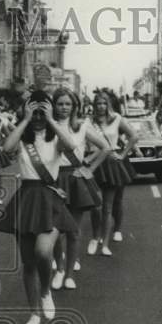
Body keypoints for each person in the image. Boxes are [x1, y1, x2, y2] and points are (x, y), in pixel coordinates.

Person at [0, 91, 78, 324]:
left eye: (43, 111)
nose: (39, 116)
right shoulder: (23, 138)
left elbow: (71, 145)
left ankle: (45, 291)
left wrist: (52, 120)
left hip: (49, 198)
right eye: (35, 111)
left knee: (43, 252)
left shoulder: (55, 138)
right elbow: (6, 148)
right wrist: (24, 119)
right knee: (28, 262)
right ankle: (33, 312)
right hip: (26, 198)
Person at [51, 88, 109, 290]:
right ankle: (59, 269)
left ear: (74, 106)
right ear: (54, 105)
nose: (64, 108)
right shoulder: (49, 127)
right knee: (55, 231)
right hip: (54, 180)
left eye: (68, 104)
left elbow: (105, 147)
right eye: (60, 104)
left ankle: (68, 275)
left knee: (74, 231)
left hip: (75, 180)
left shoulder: (82, 127)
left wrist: (89, 169)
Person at [90, 91, 139, 254]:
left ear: (108, 105)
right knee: (95, 205)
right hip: (95, 163)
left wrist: (123, 154)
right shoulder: (88, 121)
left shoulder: (116, 118)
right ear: (94, 105)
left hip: (111, 163)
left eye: (104, 103)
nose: (101, 107)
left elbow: (133, 136)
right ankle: (96, 236)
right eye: (98, 103)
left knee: (110, 205)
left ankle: (108, 239)